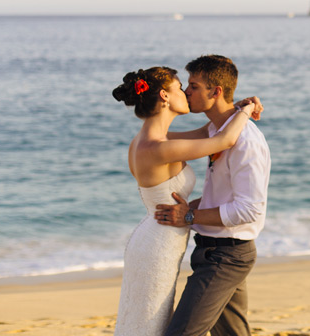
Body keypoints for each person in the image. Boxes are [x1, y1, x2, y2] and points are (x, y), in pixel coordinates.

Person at [111, 66, 262, 336]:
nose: (186, 93)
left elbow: (208, 132)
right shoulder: (160, 147)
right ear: (164, 97)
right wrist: (247, 110)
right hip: (159, 243)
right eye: (181, 87)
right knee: (151, 324)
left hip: (155, 234)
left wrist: (235, 108)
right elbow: (224, 139)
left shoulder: (147, 141)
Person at [154, 55, 272, 336]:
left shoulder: (246, 142)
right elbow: (168, 142)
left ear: (216, 91)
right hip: (212, 249)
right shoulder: (217, 128)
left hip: (227, 255)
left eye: (193, 86)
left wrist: (190, 215)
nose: (186, 92)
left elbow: (249, 211)